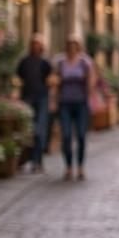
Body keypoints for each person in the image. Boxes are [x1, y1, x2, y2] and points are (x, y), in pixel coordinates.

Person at [53, 35, 95, 182]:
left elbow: (91, 82)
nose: (72, 49)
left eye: (74, 46)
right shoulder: (60, 62)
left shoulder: (85, 62)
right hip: (65, 103)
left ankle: (81, 167)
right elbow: (55, 82)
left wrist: (90, 99)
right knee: (66, 136)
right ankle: (69, 167)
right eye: (69, 46)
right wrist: (53, 100)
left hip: (81, 103)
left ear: (78, 47)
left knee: (81, 135)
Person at [14, 34, 52, 173]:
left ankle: (38, 161)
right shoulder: (24, 62)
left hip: (42, 98)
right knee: (28, 130)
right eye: (34, 43)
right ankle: (27, 160)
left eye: (38, 44)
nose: (36, 46)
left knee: (39, 130)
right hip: (27, 98)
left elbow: (50, 80)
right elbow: (18, 78)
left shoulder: (45, 63)